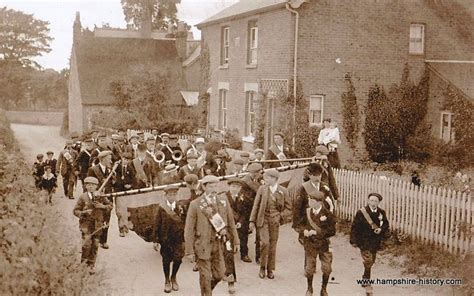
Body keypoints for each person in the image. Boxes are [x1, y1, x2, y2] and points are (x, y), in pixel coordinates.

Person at [184, 175, 240, 296]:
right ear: (204, 187)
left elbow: (231, 223)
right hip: (203, 245)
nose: (213, 188)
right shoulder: (196, 204)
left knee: (219, 274)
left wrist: (236, 241)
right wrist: (189, 251)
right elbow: (189, 230)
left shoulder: (223, 201)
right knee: (205, 276)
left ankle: (205, 291)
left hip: (219, 244)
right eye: (210, 186)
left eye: (215, 185)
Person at [249, 169, 291, 279]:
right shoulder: (262, 189)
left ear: (274, 179)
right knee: (265, 243)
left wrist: (280, 216)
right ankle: (262, 267)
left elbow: (289, 208)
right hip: (263, 220)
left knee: (272, 246)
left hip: (275, 222)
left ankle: (270, 269)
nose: (265, 179)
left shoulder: (283, 191)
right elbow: (256, 205)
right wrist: (252, 221)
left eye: (267, 177)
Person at [293, 190, 336, 296]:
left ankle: (324, 289)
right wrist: (304, 231)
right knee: (309, 269)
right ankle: (309, 288)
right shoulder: (306, 212)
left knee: (327, 269)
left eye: (311, 200)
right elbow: (297, 225)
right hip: (310, 244)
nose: (309, 202)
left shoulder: (328, 214)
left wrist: (317, 232)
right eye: (309, 199)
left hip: (323, 244)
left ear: (319, 202)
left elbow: (332, 231)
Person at [73, 176, 113, 273]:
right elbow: (75, 211)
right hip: (86, 225)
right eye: (88, 185)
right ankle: (83, 265)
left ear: (96, 186)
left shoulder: (101, 196)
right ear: (85, 186)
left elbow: (110, 206)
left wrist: (102, 206)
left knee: (95, 245)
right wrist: (84, 212)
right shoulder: (83, 197)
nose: (90, 187)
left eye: (93, 185)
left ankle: (91, 265)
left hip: (97, 225)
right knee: (86, 245)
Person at [350, 193, 389, 290]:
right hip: (364, 240)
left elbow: (386, 224)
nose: (373, 203)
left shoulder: (381, 212)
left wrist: (381, 229)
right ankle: (367, 281)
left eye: (376, 201)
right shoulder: (361, 212)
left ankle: (364, 278)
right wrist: (353, 240)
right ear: (368, 201)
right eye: (371, 200)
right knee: (368, 260)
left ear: (379, 202)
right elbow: (354, 226)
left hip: (375, 241)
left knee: (371, 261)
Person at [155, 185, 189, 293]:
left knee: (178, 259)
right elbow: (157, 224)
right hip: (166, 239)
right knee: (166, 260)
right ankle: (167, 280)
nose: (172, 197)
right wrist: (156, 241)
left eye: (174, 194)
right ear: (165, 195)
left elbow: (186, 222)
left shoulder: (181, 207)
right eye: (170, 195)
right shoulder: (161, 208)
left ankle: (174, 277)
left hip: (178, 238)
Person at [87, 150, 114, 249]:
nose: (110, 161)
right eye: (109, 159)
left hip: (107, 197)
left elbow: (113, 183)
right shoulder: (93, 170)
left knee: (106, 218)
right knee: (96, 219)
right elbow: (88, 184)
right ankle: (93, 238)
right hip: (97, 198)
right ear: (102, 159)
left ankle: (104, 241)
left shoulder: (110, 170)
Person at [241, 163, 264, 263]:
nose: (261, 175)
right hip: (246, 210)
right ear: (255, 173)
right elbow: (246, 198)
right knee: (244, 233)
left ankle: (259, 256)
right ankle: (244, 254)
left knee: (259, 233)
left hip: (257, 209)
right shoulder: (244, 182)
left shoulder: (257, 180)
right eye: (260, 173)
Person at [226, 177, 253, 263]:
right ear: (229, 187)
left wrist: (240, 222)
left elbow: (245, 212)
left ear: (240, 188)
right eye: (233, 186)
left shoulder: (243, 197)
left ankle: (244, 254)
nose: (235, 189)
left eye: (237, 187)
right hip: (228, 222)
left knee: (244, 233)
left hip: (239, 221)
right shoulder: (224, 197)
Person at [113, 152, 136, 237]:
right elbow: (113, 178)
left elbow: (134, 179)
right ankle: (121, 229)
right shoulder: (117, 167)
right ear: (121, 158)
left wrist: (130, 185)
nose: (125, 161)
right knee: (119, 211)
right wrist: (122, 184)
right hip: (119, 192)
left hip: (127, 193)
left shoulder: (130, 168)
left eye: (127, 160)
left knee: (127, 210)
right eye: (124, 159)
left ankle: (126, 226)